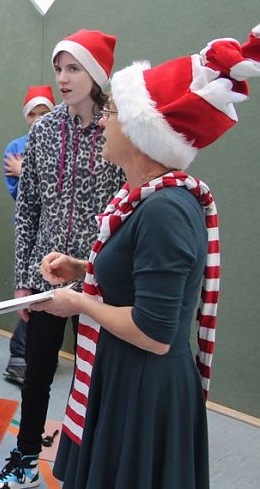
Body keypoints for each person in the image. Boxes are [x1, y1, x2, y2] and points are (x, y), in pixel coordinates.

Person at [33, 25, 259, 489]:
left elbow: (154, 334)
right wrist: (84, 269)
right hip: (125, 374)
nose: (102, 122)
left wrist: (78, 302)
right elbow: (141, 277)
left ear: (142, 133)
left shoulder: (164, 210)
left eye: (112, 112)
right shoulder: (146, 200)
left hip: (143, 383)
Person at [0, 30, 125, 489]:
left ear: (96, 75)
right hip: (45, 280)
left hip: (98, 282)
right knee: (37, 373)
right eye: (58, 69)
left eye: (73, 68)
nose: (62, 78)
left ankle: (93, 467)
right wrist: (23, 279)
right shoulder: (42, 131)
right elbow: (27, 210)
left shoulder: (119, 128)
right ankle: (25, 459)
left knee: (96, 379)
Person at [0, 85, 55, 386]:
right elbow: (20, 196)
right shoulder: (15, 147)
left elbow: (59, 191)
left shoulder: (59, 143)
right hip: (29, 232)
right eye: (32, 114)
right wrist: (27, 177)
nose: (38, 119)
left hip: (56, 233)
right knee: (30, 293)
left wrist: (26, 172)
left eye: (44, 113)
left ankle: (31, 353)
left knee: (46, 295)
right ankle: (19, 355)